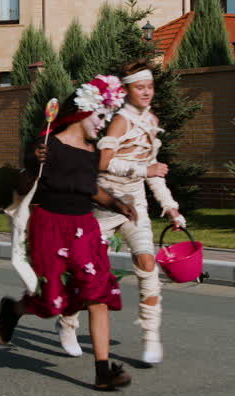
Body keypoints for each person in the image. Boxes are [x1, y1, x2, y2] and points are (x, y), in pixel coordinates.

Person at [0, 75, 137, 391]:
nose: (103, 125)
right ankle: (14, 309)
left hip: (84, 227)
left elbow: (90, 189)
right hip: (49, 226)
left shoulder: (91, 151)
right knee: (51, 302)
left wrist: (116, 203)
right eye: (100, 117)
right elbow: (21, 188)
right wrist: (33, 166)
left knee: (98, 292)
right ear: (84, 111)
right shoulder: (47, 145)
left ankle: (103, 371)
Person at [55, 61, 186, 366]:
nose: (147, 92)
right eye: (140, 87)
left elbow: (154, 172)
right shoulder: (119, 122)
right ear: (126, 91)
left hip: (135, 205)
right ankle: (68, 321)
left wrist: (170, 207)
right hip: (104, 204)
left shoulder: (152, 122)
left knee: (147, 263)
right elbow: (100, 162)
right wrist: (143, 168)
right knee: (86, 272)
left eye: (150, 87)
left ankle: (151, 336)